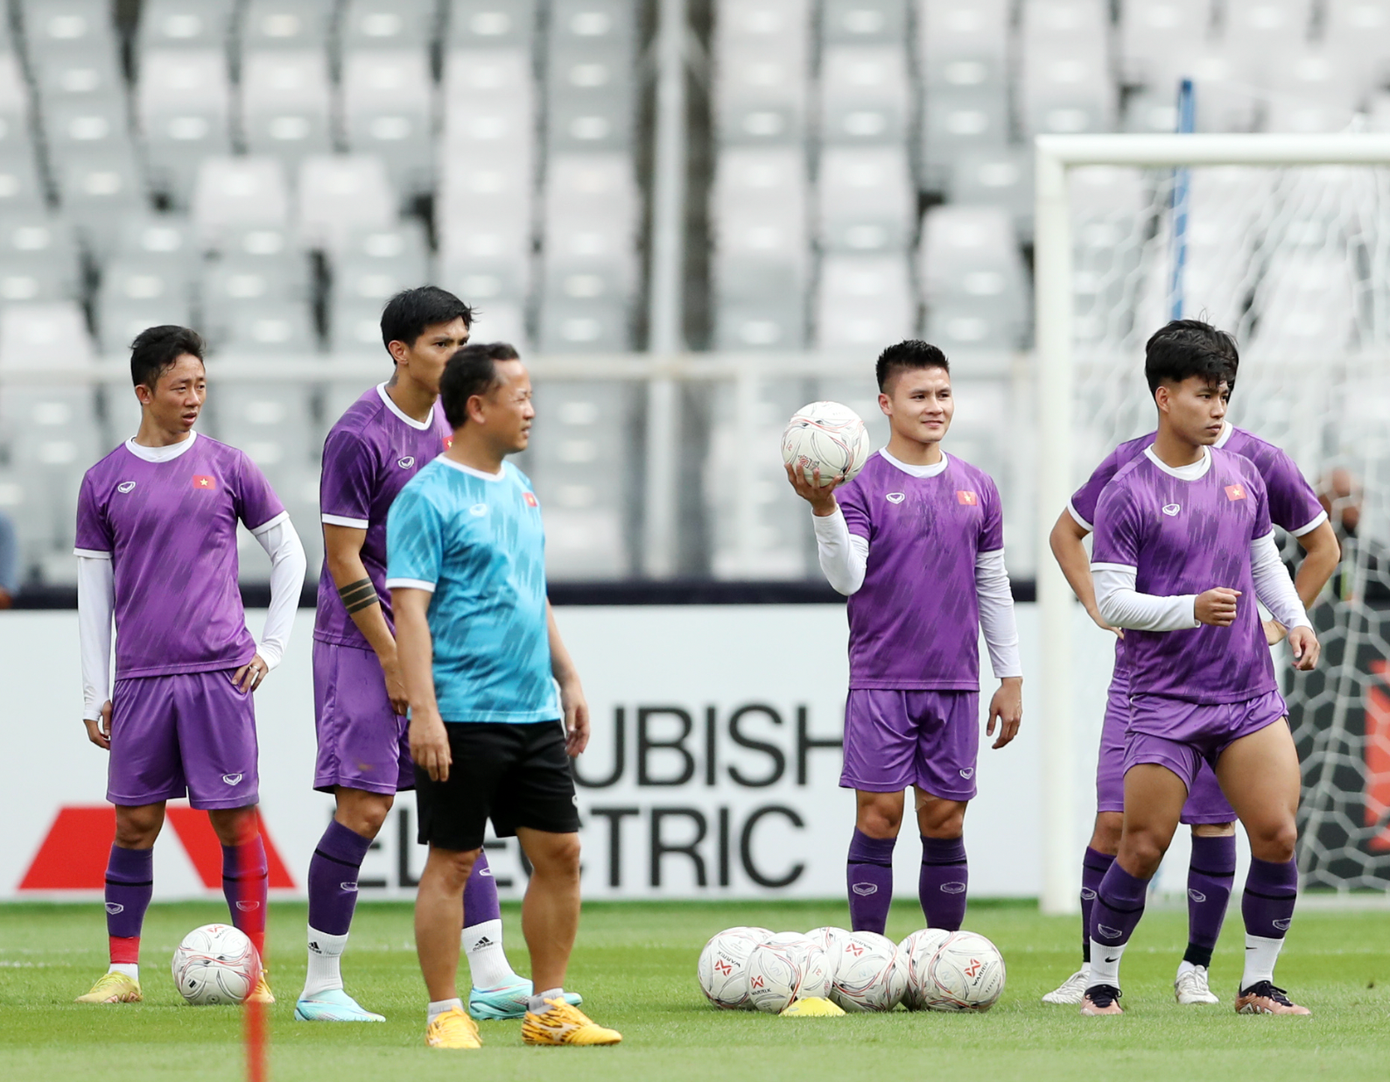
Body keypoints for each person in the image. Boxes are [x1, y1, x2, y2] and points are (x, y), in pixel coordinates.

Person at [1043, 320, 1340, 1007]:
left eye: (1224, 395)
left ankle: (1256, 982)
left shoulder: (1245, 473)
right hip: (1165, 698)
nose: (1217, 409)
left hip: (1246, 695)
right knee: (1140, 844)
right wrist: (1190, 609)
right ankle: (1101, 981)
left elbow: (1264, 561)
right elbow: (1113, 598)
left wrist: (1294, 619)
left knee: (1277, 832)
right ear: (1164, 396)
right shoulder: (1127, 488)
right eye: (1205, 395)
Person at [299, 290, 565, 1022]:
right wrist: (391, 658)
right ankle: (320, 985)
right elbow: (343, 558)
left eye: (461, 342)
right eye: (441, 344)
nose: (455, 355)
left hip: (440, 641)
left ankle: (492, 976)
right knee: (364, 808)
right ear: (400, 351)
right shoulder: (358, 435)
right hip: (362, 642)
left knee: (460, 799)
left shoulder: (458, 427)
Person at [387, 343, 620, 1049]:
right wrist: (425, 711)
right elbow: (409, 613)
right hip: (461, 712)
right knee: (453, 861)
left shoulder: (519, 487)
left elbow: (530, 591)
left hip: (531, 709)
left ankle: (548, 1008)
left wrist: (567, 676)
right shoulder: (427, 496)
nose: (531, 409)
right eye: (518, 396)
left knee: (561, 853)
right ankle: (444, 1013)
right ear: (476, 406)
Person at [73, 325, 307, 1004]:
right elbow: (94, 594)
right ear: (144, 392)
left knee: (235, 822)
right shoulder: (102, 481)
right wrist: (93, 692)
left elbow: (290, 553)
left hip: (218, 677)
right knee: (134, 825)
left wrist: (271, 647)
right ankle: (122, 974)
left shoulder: (229, 466)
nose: (195, 398)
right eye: (181, 386)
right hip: (142, 681)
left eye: (202, 385)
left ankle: (254, 973)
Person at [786, 339, 1023, 935]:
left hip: (956, 683)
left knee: (945, 822)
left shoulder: (978, 486)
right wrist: (823, 508)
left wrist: (1011, 676)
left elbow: (992, 585)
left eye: (944, 394)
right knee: (880, 818)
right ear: (886, 404)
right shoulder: (859, 486)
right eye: (919, 396)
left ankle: (945, 957)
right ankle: (867, 955)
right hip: (881, 681)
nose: (935, 406)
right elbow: (847, 578)